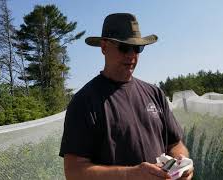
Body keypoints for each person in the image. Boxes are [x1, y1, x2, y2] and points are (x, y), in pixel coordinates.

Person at [59, 13, 194, 180]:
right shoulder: (84, 101)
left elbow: (175, 144)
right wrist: (131, 175)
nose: (131, 55)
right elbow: (74, 171)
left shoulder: (155, 93)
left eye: (137, 48)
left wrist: (182, 164)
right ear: (103, 47)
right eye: (124, 47)